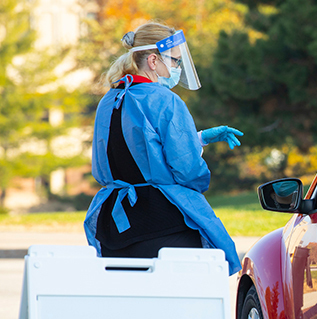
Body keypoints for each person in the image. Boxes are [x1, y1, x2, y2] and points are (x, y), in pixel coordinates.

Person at [84, 22, 243, 275]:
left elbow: (131, 148)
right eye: (175, 61)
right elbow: (188, 170)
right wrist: (195, 166)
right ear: (154, 60)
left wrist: (197, 138)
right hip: (162, 222)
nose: (177, 68)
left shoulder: (109, 99)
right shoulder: (165, 99)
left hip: (114, 225)